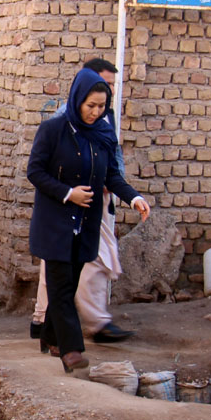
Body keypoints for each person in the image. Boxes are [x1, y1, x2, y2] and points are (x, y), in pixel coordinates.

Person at [28, 72, 150, 373]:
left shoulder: (102, 135)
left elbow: (110, 175)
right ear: (77, 99)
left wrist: (133, 198)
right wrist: (68, 193)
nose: (95, 112)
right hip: (55, 222)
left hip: (85, 224)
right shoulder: (53, 130)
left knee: (68, 287)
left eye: (101, 107)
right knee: (59, 286)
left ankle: (50, 336)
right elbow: (35, 171)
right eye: (90, 105)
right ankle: (71, 351)